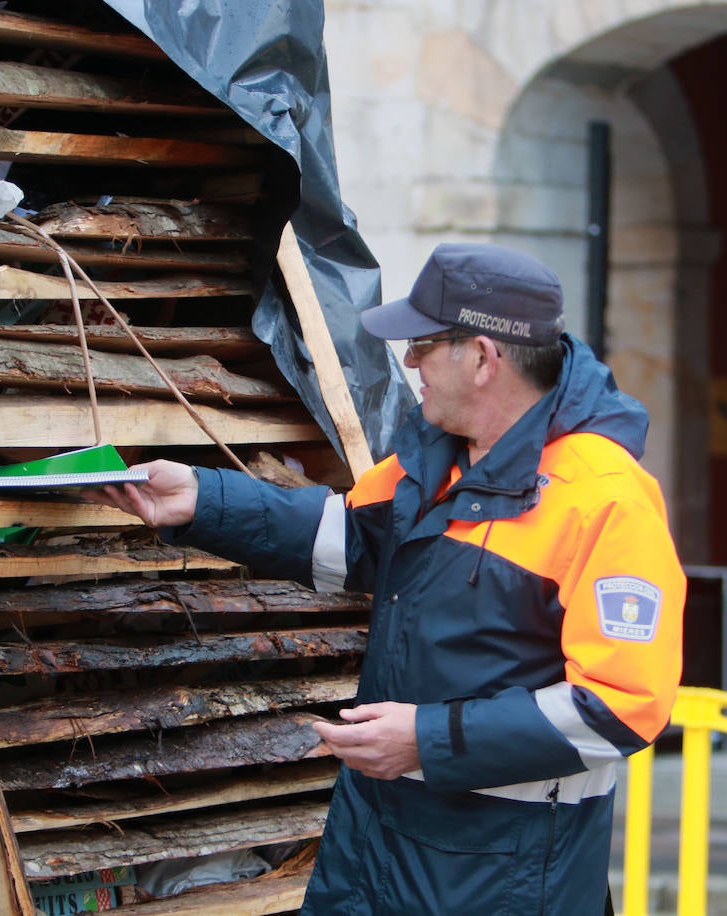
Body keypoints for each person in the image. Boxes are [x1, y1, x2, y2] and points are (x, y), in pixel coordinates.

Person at [91, 243, 685, 914]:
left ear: (484, 357)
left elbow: (622, 709)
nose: (407, 363)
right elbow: (345, 539)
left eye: (425, 345)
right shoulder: (433, 460)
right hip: (375, 848)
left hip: (501, 877)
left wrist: (426, 740)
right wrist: (202, 499)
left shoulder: (605, 501)